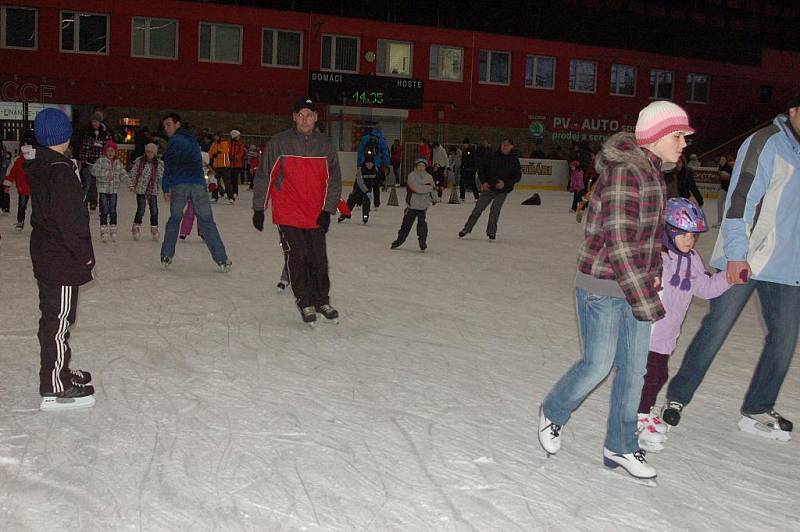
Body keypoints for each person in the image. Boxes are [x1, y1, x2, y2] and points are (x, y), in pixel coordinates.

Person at [537, 101, 694, 483]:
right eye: (678, 135)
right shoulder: (626, 172)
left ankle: (621, 445)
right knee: (598, 363)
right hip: (603, 285)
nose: (684, 143)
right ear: (656, 136)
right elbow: (620, 240)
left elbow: (650, 238)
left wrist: (654, 275)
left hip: (635, 284)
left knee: (635, 372)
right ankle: (553, 411)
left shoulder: (656, 173)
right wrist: (647, 299)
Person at [661, 96, 800, 442]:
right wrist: (737, 254)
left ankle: (758, 406)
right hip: (746, 258)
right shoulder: (766, 142)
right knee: (717, 327)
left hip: (787, 265)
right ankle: (678, 396)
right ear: (794, 111)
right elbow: (740, 200)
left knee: (784, 339)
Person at [636, 198, 730, 452]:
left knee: (659, 375)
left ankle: (643, 412)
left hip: (668, 335)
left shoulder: (692, 260)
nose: (690, 240)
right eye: (684, 234)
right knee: (651, 375)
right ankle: (640, 417)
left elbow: (706, 288)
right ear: (668, 231)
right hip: (648, 331)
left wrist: (728, 277)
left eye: (693, 236)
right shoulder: (659, 257)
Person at [26, 108, 96, 410]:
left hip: (46, 252)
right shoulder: (60, 171)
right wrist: (85, 257)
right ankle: (55, 384)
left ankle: (60, 369)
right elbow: (72, 221)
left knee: (54, 317)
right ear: (65, 135)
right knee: (59, 322)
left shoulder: (41, 165)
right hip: (62, 258)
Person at [252, 97, 342, 326]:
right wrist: (259, 208)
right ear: (294, 117)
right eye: (300, 115)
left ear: (316, 118)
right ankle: (305, 301)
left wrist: (327, 210)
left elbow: (334, 181)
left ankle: (322, 300)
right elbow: (265, 175)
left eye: (309, 115)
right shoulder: (279, 143)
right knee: (298, 257)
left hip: (315, 213)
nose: (305, 120)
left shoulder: (325, 145)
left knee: (319, 260)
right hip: (288, 213)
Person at [160, 113, 231, 272]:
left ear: (177, 124)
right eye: (165, 126)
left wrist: (166, 187)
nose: (166, 129)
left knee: (175, 219)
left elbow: (169, 165)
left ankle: (166, 254)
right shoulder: (192, 140)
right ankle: (222, 259)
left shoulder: (174, 141)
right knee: (207, 221)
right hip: (198, 184)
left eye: (169, 125)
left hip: (180, 184)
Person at [458, 138, 521, 241]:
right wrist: (483, 182)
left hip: (503, 190)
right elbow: (482, 168)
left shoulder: (514, 160)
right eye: (503, 144)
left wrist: (505, 184)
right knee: (478, 208)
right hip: (489, 188)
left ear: (511, 147)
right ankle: (466, 229)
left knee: (495, 211)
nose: (505, 147)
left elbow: (517, 176)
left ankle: (491, 233)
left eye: (507, 145)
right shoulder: (492, 156)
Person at [391, 158, 436, 252]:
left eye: (423, 166)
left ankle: (422, 242)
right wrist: (428, 188)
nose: (421, 168)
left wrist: (434, 197)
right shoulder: (411, 176)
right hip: (412, 205)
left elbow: (433, 189)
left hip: (423, 206)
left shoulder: (429, 177)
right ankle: (400, 240)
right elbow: (416, 189)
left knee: (422, 225)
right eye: (419, 165)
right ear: (416, 166)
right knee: (406, 225)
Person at [91, 140, 129, 243]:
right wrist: (106, 173)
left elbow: (123, 174)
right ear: (105, 151)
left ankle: (113, 228)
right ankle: (103, 230)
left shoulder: (118, 163)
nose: (110, 153)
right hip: (103, 189)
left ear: (116, 152)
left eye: (112, 150)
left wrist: (130, 184)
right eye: (108, 150)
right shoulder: (101, 161)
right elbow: (94, 171)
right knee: (104, 209)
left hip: (113, 190)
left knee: (112, 209)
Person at [129, 142, 163, 241]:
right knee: (141, 209)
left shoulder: (158, 165)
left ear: (155, 153)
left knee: (154, 210)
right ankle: (136, 227)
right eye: (148, 152)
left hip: (153, 190)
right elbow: (133, 173)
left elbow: (161, 177)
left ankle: (154, 228)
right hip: (140, 190)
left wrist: (166, 188)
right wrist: (132, 183)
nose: (149, 154)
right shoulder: (140, 161)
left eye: (152, 152)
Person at [78, 112, 112, 211]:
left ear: (100, 122)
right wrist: (84, 160)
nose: (94, 123)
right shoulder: (88, 132)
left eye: (96, 121)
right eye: (93, 121)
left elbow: (109, 147)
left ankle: (96, 203)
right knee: (87, 184)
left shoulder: (105, 133)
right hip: (89, 162)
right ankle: (84, 202)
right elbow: (84, 147)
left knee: (98, 185)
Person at [3, 131, 34, 231]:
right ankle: (20, 221)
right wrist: (7, 184)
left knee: (38, 207)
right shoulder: (18, 160)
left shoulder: (35, 160)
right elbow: (11, 173)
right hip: (23, 187)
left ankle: (39, 223)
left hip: (35, 187)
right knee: (22, 205)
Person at [357, 128, 390, 206]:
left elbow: (360, 151)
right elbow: (386, 154)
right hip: (376, 164)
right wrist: (386, 165)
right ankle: (376, 202)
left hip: (364, 163)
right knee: (376, 185)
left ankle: (359, 201)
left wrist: (359, 163)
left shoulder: (365, 138)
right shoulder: (381, 140)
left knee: (362, 183)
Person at [341, 160, 378, 224]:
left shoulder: (375, 170)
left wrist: (376, 200)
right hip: (359, 188)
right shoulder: (361, 170)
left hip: (368, 188)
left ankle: (365, 216)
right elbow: (360, 182)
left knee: (367, 202)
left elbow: (376, 183)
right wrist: (366, 191)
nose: (369, 165)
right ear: (365, 163)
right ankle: (345, 214)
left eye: (371, 163)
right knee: (352, 200)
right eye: (368, 163)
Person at [208, 131, 233, 203]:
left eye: (216, 136)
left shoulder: (224, 143)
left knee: (227, 182)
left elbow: (226, 151)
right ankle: (214, 197)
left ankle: (230, 197)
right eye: (214, 136)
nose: (215, 137)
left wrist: (218, 152)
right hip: (216, 166)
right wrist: (213, 155)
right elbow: (210, 153)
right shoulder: (214, 144)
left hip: (225, 166)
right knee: (215, 182)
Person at [713, 155, 733, 228]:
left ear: (725, 160)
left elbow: (730, 178)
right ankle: (720, 221)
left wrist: (724, 177)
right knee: (719, 205)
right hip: (723, 189)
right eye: (720, 159)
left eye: (723, 159)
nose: (721, 161)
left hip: (728, 190)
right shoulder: (720, 167)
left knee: (727, 206)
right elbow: (720, 178)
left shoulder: (729, 168)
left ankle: (727, 222)